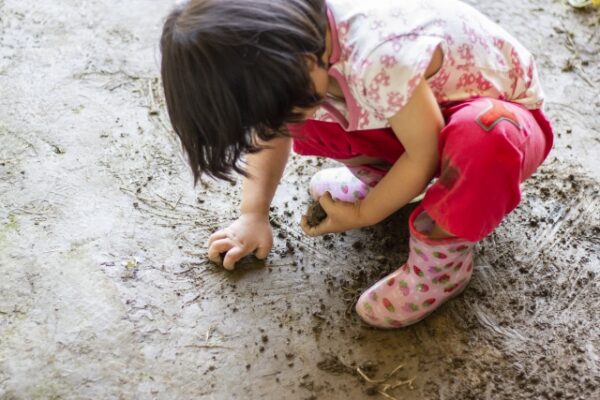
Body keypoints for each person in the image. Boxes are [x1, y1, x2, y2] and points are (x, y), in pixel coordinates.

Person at [160, 0, 553, 328]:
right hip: (413, 113)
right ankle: (387, 184)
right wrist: (252, 213)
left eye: (284, 102)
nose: (281, 119)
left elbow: (426, 152)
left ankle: (442, 266)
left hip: (503, 123)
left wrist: (365, 213)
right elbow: (273, 130)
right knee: (304, 117)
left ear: (298, 56)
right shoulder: (300, 45)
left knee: (482, 136)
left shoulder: (379, 54)